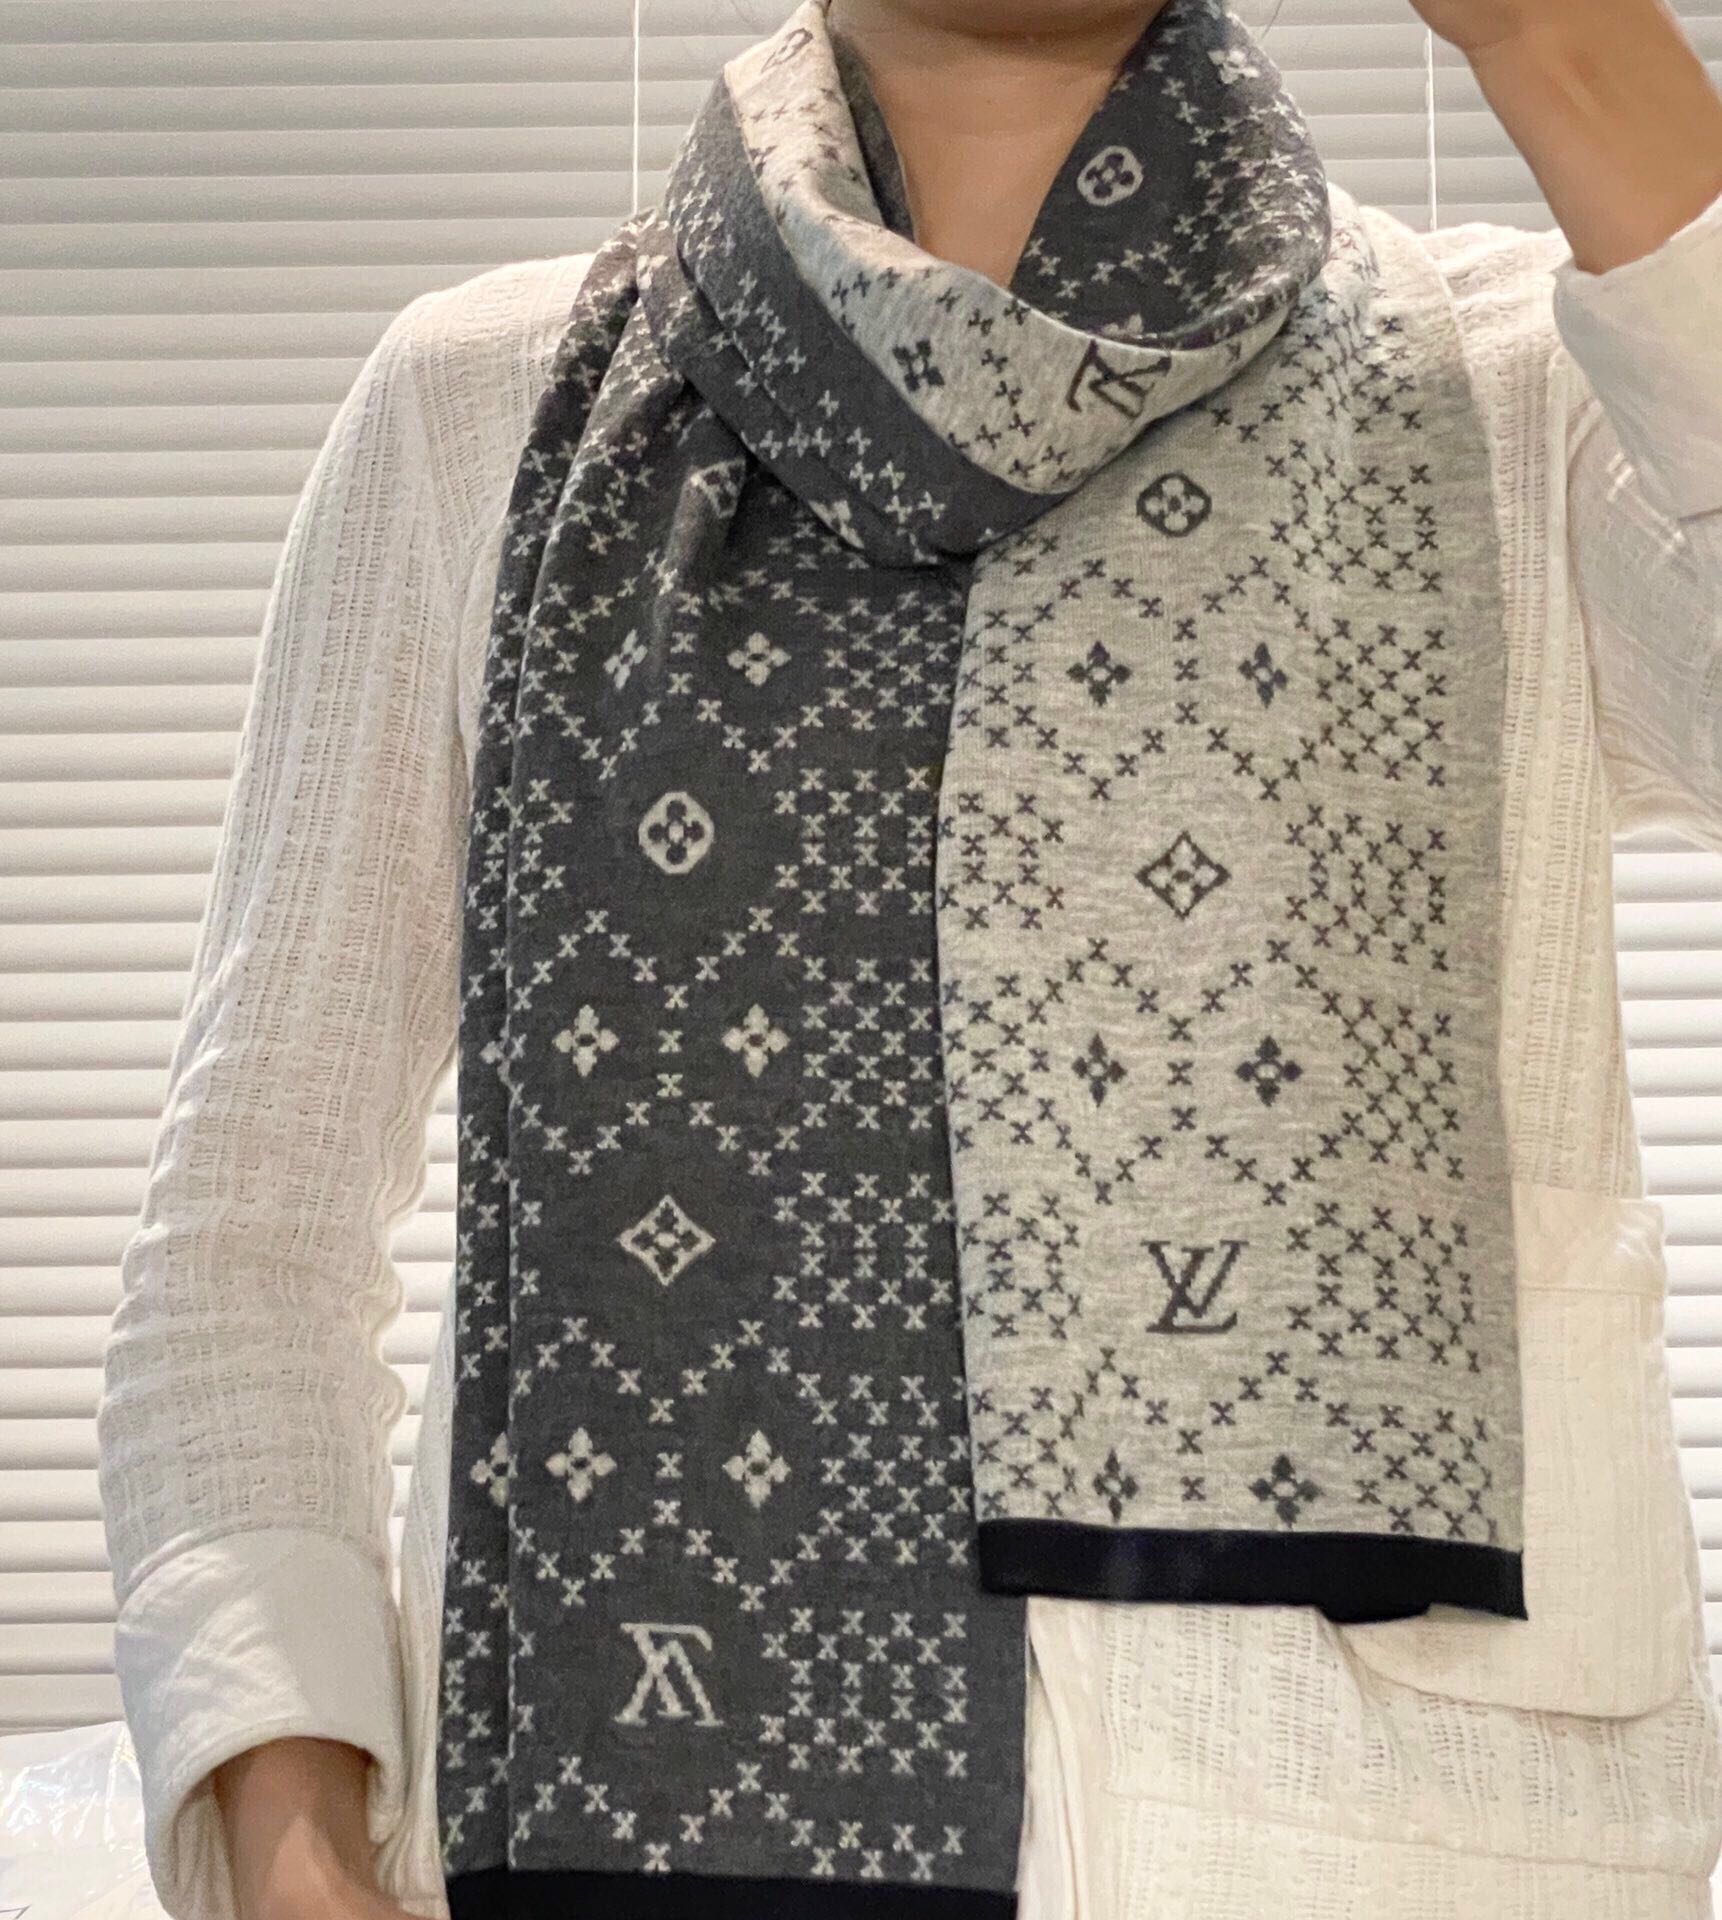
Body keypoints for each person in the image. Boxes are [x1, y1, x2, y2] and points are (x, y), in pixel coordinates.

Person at [94, 0, 1722, 1916]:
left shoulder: (1520, 385)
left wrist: (1555, 39)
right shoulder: (485, 405)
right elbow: (254, 1222)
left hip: (1416, 1845)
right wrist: (294, 1853)